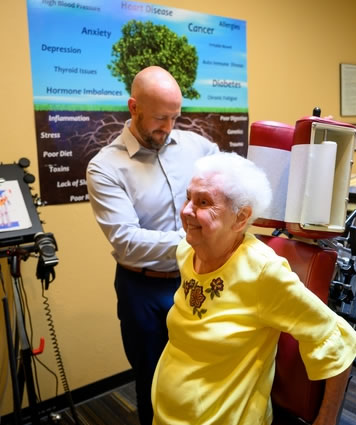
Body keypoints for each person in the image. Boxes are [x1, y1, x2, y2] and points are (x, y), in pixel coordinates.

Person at [151, 152, 356, 425]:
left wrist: (326, 419)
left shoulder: (262, 272)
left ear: (241, 218)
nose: (187, 211)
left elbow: (336, 339)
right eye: (188, 197)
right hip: (167, 413)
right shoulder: (188, 250)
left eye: (203, 202)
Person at [86, 66, 219, 424]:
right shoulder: (105, 168)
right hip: (143, 291)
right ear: (134, 108)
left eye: (175, 117)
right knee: (154, 383)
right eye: (161, 117)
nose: (169, 127)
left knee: (201, 374)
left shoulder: (196, 146)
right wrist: (198, 235)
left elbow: (227, 177)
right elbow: (128, 243)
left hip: (196, 280)